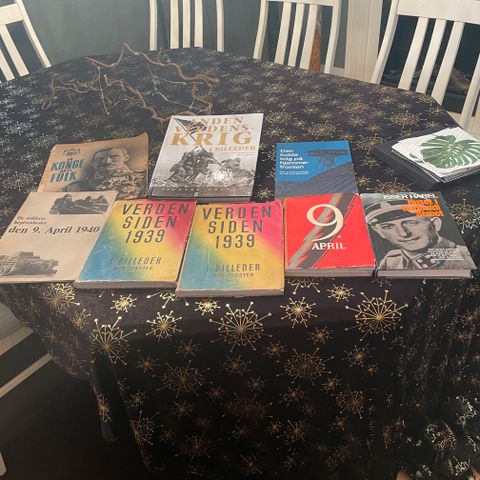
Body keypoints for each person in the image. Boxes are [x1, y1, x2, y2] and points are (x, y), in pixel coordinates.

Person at [365, 200, 473, 270]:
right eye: (388, 227)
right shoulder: (391, 260)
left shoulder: (464, 258)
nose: (403, 233)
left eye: (411, 223)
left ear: (435, 224)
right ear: (379, 232)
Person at [64, 146, 146, 198]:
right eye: (100, 159)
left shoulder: (144, 178)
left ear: (126, 158)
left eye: (114, 156)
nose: (107, 161)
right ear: (93, 163)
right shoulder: (74, 187)